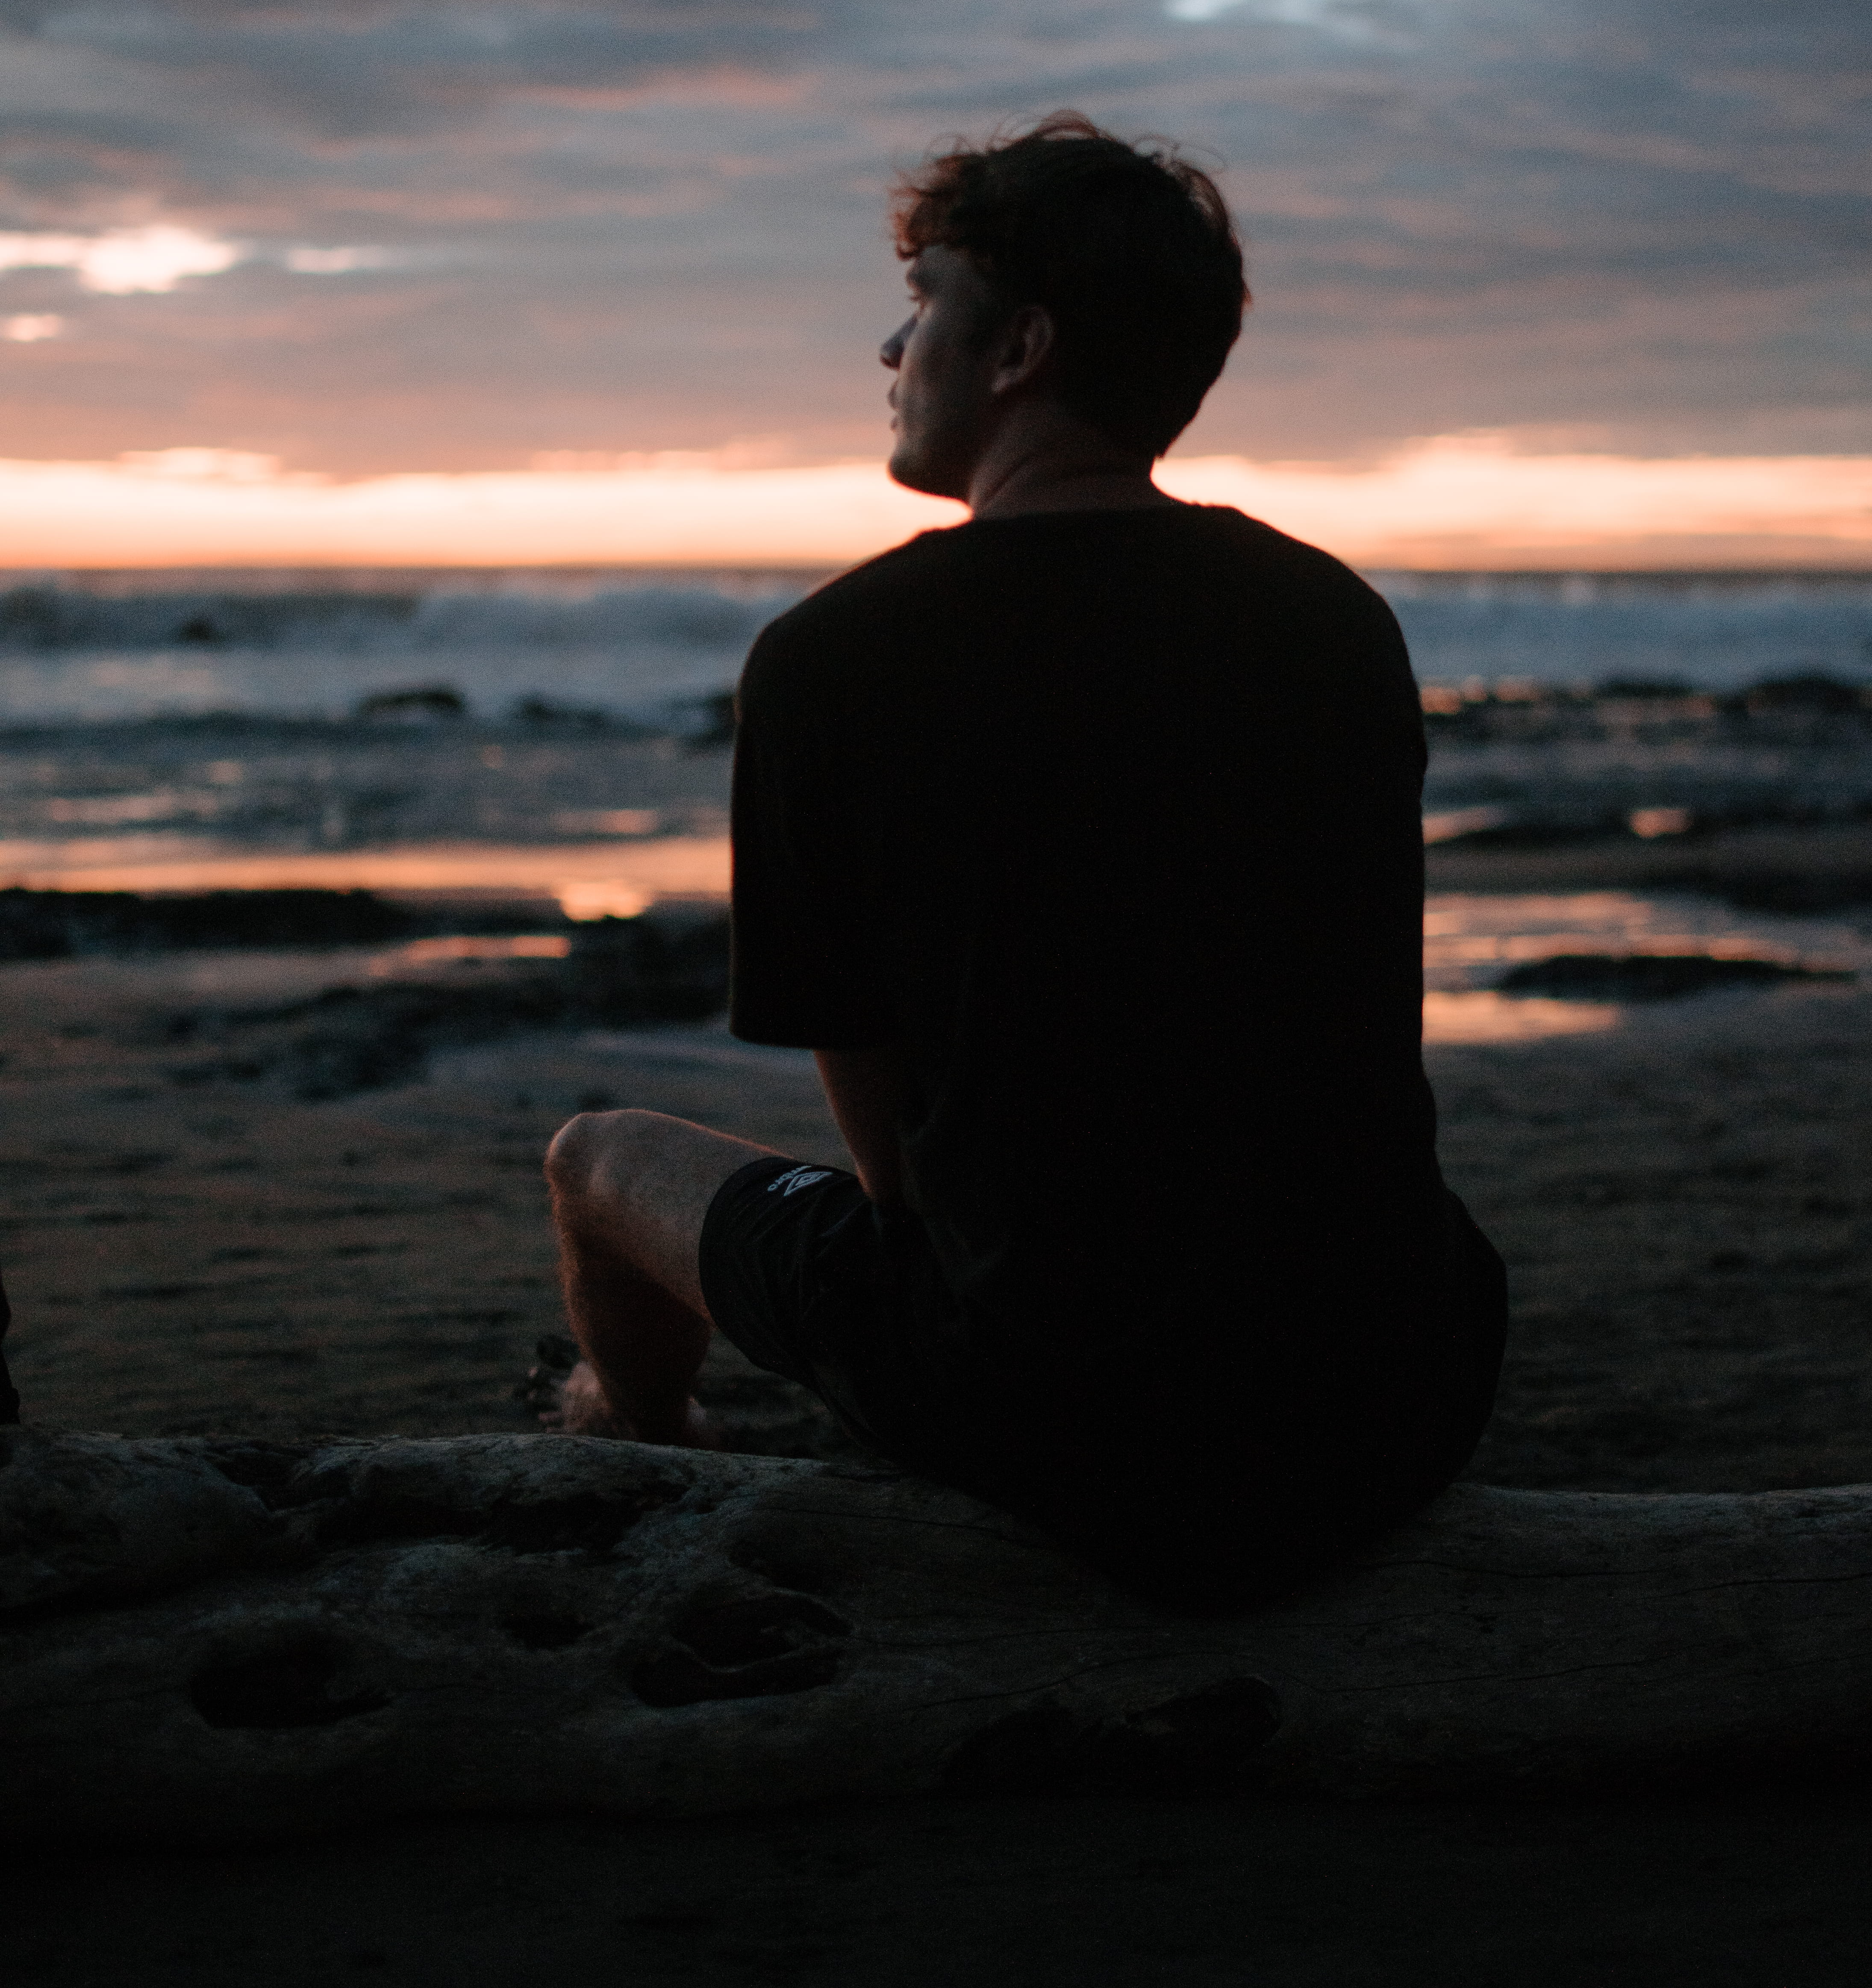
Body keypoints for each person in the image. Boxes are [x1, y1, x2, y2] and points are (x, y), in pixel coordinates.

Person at [544, 113, 1504, 1610]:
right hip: (1402, 1383)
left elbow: (892, 1174)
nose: (889, 347)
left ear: (1019, 350)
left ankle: (641, 1432)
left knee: (596, 1161)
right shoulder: (1333, 620)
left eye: (924, 300)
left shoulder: (833, 661)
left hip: (1061, 1424)